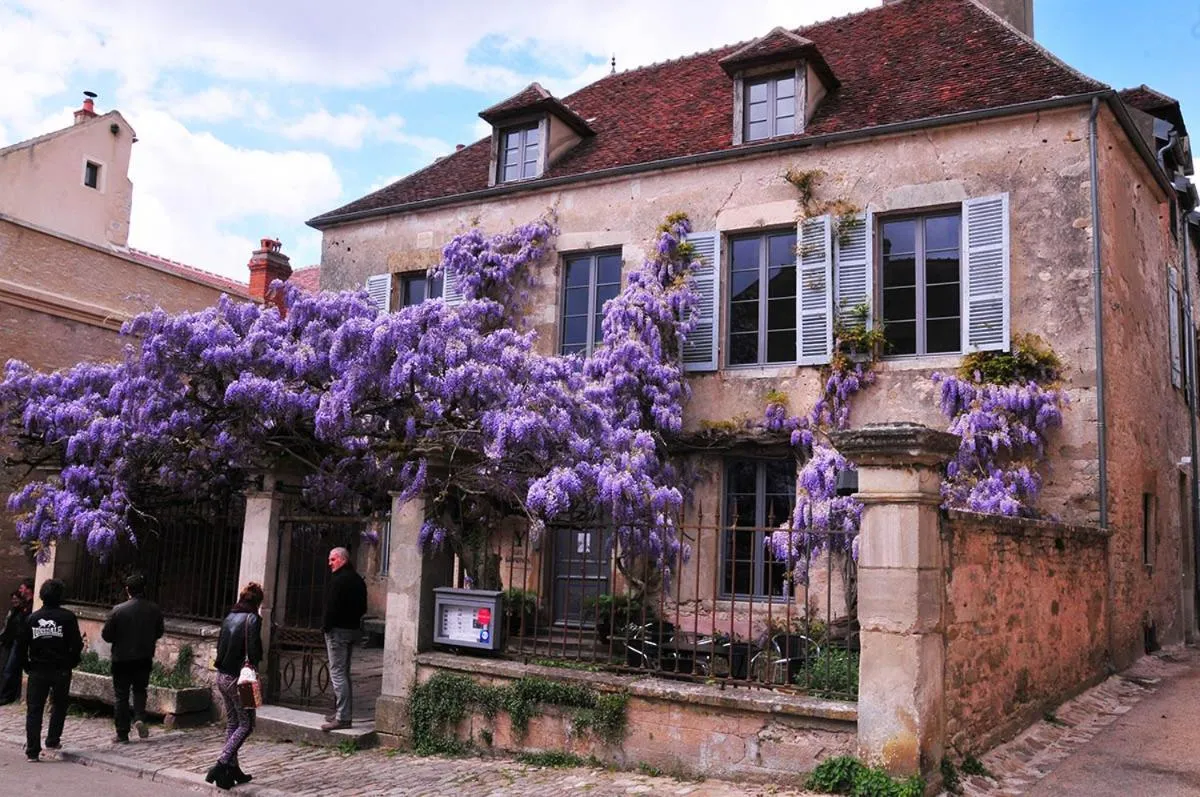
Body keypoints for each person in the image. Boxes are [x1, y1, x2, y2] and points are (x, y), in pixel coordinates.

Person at [207, 581, 263, 790]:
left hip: (222, 676)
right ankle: (221, 764)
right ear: (257, 602)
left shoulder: (229, 617)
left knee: (233, 723)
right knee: (246, 724)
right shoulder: (252, 619)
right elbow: (254, 651)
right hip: (241, 679)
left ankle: (232, 771)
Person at [21, 578, 82, 761]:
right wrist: (72, 661)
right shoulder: (67, 618)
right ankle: (53, 739)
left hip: (38, 669)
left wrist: (27, 666)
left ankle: (32, 750)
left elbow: (23, 646)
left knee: (34, 709)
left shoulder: (32, 619)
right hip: (61, 669)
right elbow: (76, 644)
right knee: (59, 705)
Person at [101, 573, 164, 743]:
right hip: (144, 656)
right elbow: (159, 632)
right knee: (140, 690)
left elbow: (106, 635)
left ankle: (122, 732)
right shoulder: (154, 609)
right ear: (144, 589)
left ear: (127, 589)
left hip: (121, 658)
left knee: (121, 695)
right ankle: (139, 718)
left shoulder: (118, 610)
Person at [321, 546, 366, 732]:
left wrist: (326, 626)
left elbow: (331, 607)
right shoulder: (357, 580)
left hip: (338, 631)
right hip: (352, 630)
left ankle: (343, 717)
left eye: (333, 559)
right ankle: (342, 711)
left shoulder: (339, 580)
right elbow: (363, 608)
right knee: (344, 673)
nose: (329, 563)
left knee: (338, 674)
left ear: (343, 560)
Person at [0, 578, 35, 705]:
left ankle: (6, 696)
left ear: (28, 589)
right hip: (15, 640)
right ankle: (6, 694)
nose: (20, 590)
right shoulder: (23, 605)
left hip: (21, 640)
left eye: (22, 587)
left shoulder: (31, 605)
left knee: (10, 669)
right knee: (8, 668)